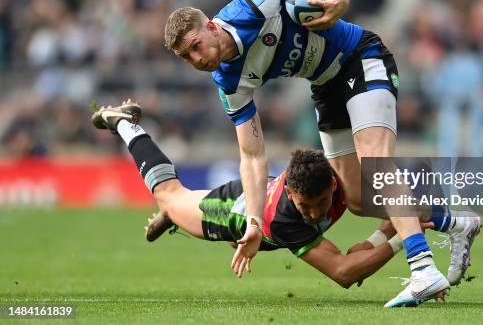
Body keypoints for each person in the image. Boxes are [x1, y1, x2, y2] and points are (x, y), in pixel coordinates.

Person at [162, 0, 481, 307]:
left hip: (361, 58)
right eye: (186, 57)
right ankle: (454, 222)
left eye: (196, 45)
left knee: (375, 162)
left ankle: (422, 268)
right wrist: (253, 221)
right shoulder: (229, 83)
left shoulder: (251, 4)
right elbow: (251, 156)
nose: (196, 59)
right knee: (358, 199)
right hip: (325, 86)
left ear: (212, 27)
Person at [91, 100, 428, 293]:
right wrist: (401, 236)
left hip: (257, 201)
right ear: (293, 194)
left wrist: (390, 229)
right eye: (305, 206)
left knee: (181, 201)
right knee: (168, 193)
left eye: (321, 204)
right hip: (227, 212)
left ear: (332, 187)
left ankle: (176, 213)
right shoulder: (288, 218)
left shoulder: (338, 178)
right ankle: (126, 125)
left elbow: (355, 253)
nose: (313, 215)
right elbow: (344, 271)